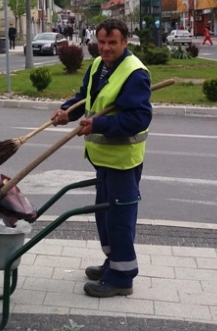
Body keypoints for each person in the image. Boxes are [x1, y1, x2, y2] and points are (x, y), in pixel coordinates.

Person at [51, 18, 152, 298]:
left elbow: (139, 118)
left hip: (123, 161)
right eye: (102, 42)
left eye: (112, 43)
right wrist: (66, 112)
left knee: (119, 218)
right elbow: (85, 98)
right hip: (102, 159)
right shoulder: (98, 65)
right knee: (105, 216)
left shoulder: (135, 73)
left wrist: (99, 126)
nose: (106, 48)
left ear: (125, 42)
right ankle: (112, 263)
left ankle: (121, 278)